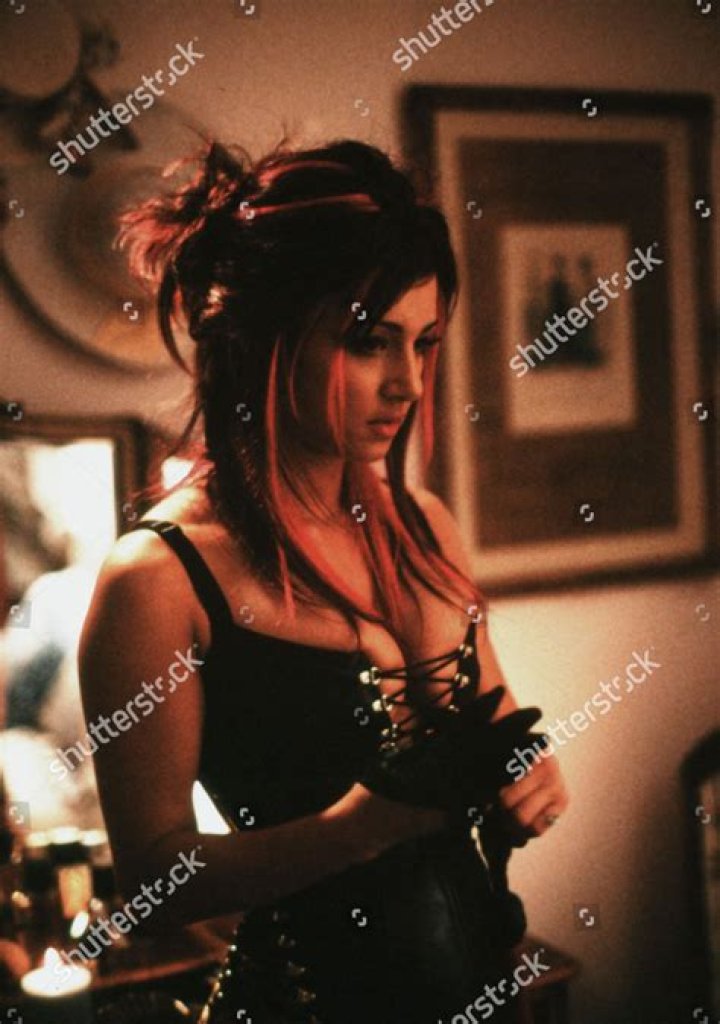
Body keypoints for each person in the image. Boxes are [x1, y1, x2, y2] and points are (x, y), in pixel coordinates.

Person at [77, 138, 569, 1024]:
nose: (407, 384)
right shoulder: (160, 579)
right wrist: (355, 831)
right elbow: (151, 882)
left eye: (424, 344)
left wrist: (527, 777)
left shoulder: (424, 526)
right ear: (267, 335)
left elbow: (495, 730)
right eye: (368, 342)